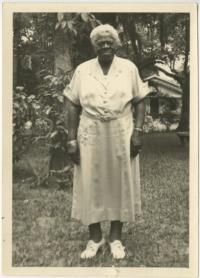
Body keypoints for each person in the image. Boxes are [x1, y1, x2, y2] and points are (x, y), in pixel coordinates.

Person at [63, 24, 149, 260]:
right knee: (89, 179)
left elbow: (141, 99)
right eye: (100, 42)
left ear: (116, 44)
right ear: (95, 46)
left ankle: (115, 237)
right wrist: (71, 138)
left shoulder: (129, 68)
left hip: (122, 130)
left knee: (119, 179)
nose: (105, 45)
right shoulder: (82, 70)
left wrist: (138, 131)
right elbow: (71, 103)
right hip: (89, 131)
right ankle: (94, 237)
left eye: (109, 41)